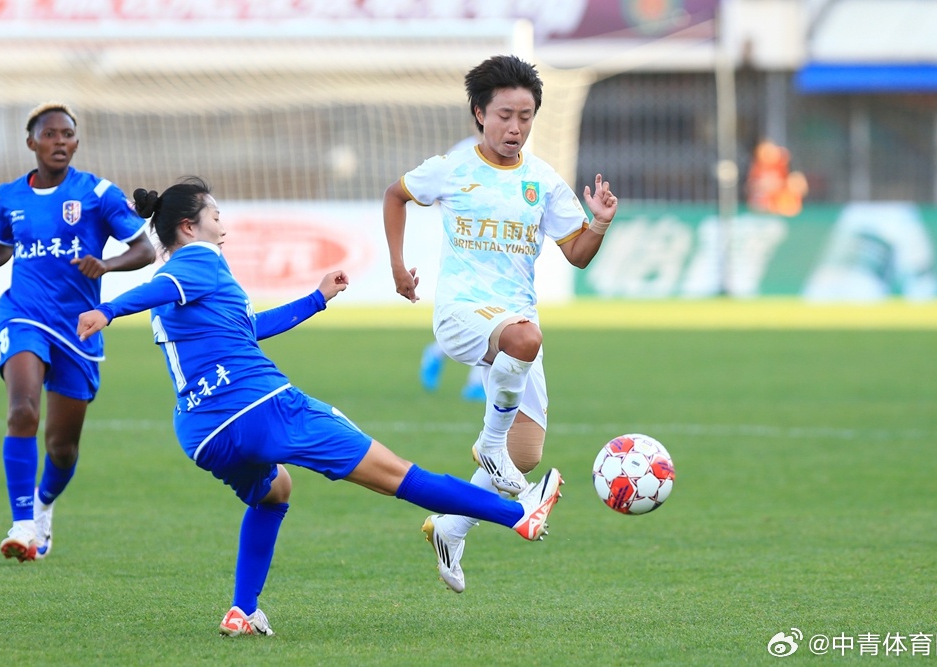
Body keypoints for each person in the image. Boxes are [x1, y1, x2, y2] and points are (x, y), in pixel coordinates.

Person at [75, 177, 563, 636]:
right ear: (189, 227)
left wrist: (317, 298)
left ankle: (244, 610)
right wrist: (108, 310)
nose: (223, 225)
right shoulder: (198, 260)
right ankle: (518, 515)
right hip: (261, 407)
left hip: (203, 434)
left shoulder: (185, 288)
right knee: (397, 474)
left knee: (275, 490)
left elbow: (249, 330)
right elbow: (159, 288)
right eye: (216, 215)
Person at [383, 55, 617, 593]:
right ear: (479, 114)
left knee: (526, 453)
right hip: (462, 313)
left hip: (514, 322)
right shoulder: (453, 168)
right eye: (505, 115)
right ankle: (488, 444)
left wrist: (600, 223)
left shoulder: (542, 181)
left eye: (526, 117)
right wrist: (398, 267)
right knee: (524, 342)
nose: (516, 128)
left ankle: (451, 526)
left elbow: (577, 254)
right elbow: (396, 195)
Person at [0, 102, 156, 563]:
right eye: (49, 134)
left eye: (67, 134)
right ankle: (21, 525)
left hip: (79, 327)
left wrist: (106, 264)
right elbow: (4, 243)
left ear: (76, 142)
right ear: (31, 142)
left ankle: (43, 504)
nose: (59, 141)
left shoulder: (97, 193)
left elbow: (145, 249)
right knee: (22, 411)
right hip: (23, 314)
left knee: (63, 446)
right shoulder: (8, 196)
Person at [418, 133, 486, 403]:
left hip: (501, 249)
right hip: (469, 249)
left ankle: (474, 380)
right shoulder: (464, 151)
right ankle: (468, 377)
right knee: (479, 314)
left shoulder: (517, 156)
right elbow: (437, 193)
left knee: (490, 315)